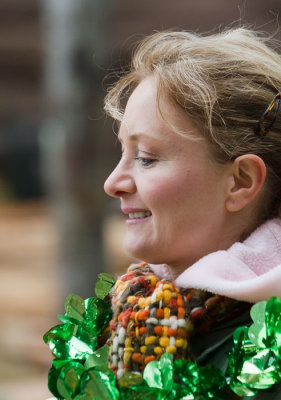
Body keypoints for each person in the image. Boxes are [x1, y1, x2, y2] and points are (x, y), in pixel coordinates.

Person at [103, 27, 281, 398]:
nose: (113, 182)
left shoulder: (264, 363)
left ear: (241, 181)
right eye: (122, 153)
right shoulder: (136, 313)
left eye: (147, 159)